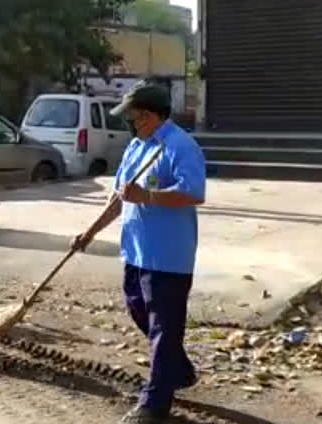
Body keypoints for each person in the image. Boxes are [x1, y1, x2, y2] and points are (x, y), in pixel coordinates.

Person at [71, 83, 206, 424]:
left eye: (133, 117)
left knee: (163, 328)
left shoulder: (180, 146)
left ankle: (154, 405)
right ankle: (180, 370)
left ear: (148, 114)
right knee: (138, 311)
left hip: (168, 255)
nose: (130, 124)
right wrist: (90, 231)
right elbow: (119, 198)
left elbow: (192, 193)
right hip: (136, 251)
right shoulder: (136, 146)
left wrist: (147, 197)